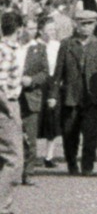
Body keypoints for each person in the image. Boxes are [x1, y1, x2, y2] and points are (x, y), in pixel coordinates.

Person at [56, 8, 97, 175]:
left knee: (91, 134)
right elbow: (58, 71)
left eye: (90, 24)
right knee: (70, 133)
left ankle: (87, 166)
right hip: (71, 95)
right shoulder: (66, 44)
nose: (86, 27)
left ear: (95, 26)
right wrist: (54, 94)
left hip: (92, 96)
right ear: (76, 25)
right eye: (83, 24)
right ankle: (72, 163)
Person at [22, 17, 62, 170]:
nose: (53, 32)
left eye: (54, 29)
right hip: (36, 86)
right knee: (33, 122)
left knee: (51, 120)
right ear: (41, 30)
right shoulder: (34, 46)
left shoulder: (57, 46)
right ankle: (31, 155)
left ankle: (49, 155)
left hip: (51, 83)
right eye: (49, 29)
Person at [0, 12, 28, 214]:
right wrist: (9, 110)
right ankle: (1, 206)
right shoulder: (5, 51)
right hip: (6, 105)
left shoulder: (11, 49)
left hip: (10, 102)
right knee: (15, 158)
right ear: (19, 29)